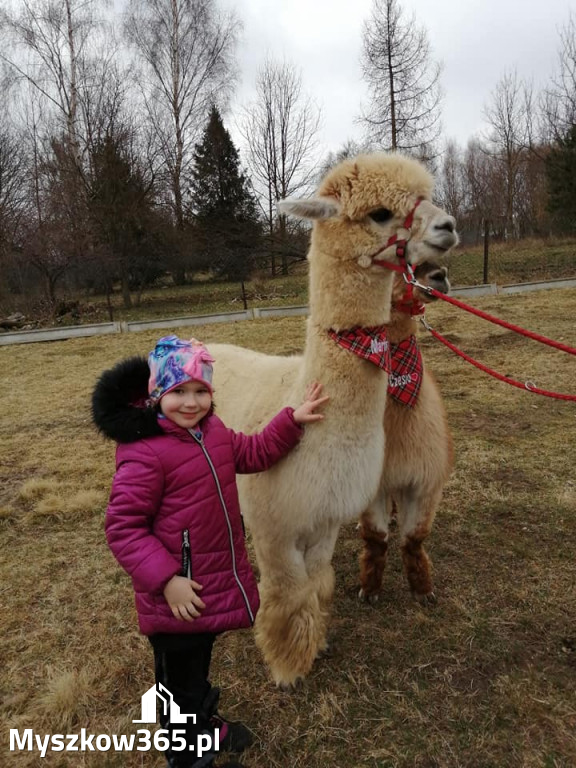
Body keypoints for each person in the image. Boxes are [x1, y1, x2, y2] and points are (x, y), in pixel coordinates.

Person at [92, 335, 328, 768]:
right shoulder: (144, 453)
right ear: (156, 394)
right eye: (178, 391)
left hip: (205, 590)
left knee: (196, 670)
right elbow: (123, 529)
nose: (191, 402)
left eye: (201, 391)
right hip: (175, 600)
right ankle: (189, 754)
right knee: (179, 681)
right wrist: (167, 581)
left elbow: (255, 452)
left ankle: (204, 722)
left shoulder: (212, 432)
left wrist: (291, 420)